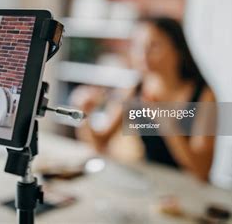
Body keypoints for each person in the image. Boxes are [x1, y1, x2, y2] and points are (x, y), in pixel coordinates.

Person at [71, 17, 216, 181]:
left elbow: (201, 171)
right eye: (138, 46)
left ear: (178, 49)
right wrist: (84, 114)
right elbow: (100, 144)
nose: (143, 54)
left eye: (154, 45)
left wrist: (165, 121)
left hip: (188, 191)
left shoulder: (204, 96)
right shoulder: (136, 89)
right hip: (153, 185)